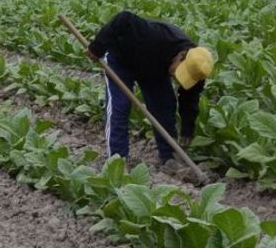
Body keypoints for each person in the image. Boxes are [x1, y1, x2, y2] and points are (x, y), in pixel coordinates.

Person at [86, 11, 214, 173]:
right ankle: (117, 161)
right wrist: (97, 47)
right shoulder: (152, 35)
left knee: (165, 106)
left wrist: (187, 130)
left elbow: (190, 99)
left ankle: (169, 157)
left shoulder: (198, 68)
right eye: (179, 71)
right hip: (122, 59)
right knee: (120, 105)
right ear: (181, 56)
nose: (176, 76)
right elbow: (123, 18)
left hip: (154, 68)